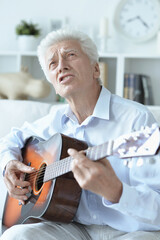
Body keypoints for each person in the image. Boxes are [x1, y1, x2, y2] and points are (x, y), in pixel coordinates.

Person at [0, 28, 160, 240]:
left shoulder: (136, 120)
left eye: (70, 55)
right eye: (52, 63)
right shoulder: (50, 123)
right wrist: (8, 165)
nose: (61, 66)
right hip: (71, 227)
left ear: (96, 69)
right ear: (53, 83)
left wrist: (117, 192)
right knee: (15, 236)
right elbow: (10, 140)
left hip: (129, 230)